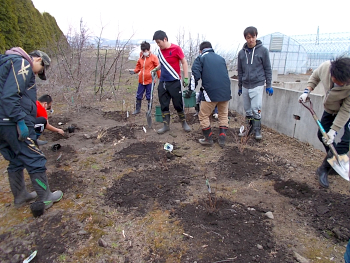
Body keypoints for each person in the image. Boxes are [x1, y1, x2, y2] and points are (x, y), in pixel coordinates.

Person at [0, 47, 63, 211]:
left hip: (2, 123)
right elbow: (10, 95)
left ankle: (20, 196)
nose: (36, 74)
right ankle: (46, 197)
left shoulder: (5, 63)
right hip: (11, 122)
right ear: (37, 59)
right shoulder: (22, 64)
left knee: (15, 158)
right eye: (40, 69)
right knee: (35, 157)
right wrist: (20, 120)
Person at [299, 56, 350, 188]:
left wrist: (334, 131)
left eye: (342, 83)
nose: (339, 85)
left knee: (346, 142)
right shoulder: (326, 67)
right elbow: (315, 76)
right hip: (331, 108)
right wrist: (307, 91)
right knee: (322, 135)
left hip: (347, 111)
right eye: (336, 81)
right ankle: (334, 159)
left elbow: (346, 110)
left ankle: (324, 169)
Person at [189, 41, 231, 147]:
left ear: (200, 50)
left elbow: (195, 75)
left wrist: (190, 89)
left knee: (203, 115)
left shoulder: (201, 58)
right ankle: (222, 137)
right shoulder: (221, 59)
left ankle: (208, 138)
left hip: (211, 92)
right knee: (223, 114)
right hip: (225, 91)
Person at [151, 30, 191, 134]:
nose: (158, 45)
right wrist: (156, 69)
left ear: (165, 39)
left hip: (174, 81)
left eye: (159, 42)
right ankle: (166, 125)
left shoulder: (176, 48)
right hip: (163, 82)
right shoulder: (160, 51)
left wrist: (186, 77)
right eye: (156, 43)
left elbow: (184, 62)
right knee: (164, 104)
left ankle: (184, 123)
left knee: (178, 104)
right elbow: (162, 64)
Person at [237, 26, 273, 140]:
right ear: (245, 38)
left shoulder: (263, 51)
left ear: (256, 37)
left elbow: (268, 68)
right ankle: (249, 128)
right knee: (247, 109)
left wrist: (269, 85)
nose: (251, 40)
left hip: (257, 83)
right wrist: (240, 86)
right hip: (245, 84)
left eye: (253, 37)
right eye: (248, 37)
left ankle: (257, 130)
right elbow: (240, 70)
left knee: (256, 108)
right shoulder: (241, 53)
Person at [126, 41, 160, 115]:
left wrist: (160, 77)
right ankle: (138, 109)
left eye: (146, 51)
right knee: (138, 95)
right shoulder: (141, 58)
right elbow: (138, 67)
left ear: (149, 50)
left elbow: (158, 68)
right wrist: (134, 71)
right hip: (141, 80)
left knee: (149, 96)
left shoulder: (154, 58)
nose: (145, 52)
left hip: (150, 80)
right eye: (143, 51)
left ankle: (149, 111)